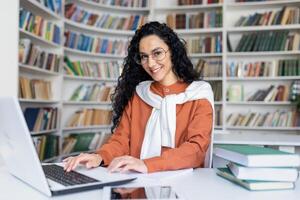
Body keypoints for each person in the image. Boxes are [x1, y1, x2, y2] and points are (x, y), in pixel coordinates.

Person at [63, 21, 214, 173]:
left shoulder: (198, 94)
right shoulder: (140, 94)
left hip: (184, 187)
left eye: (157, 53)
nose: (151, 63)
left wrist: (147, 164)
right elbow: (121, 141)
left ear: (173, 51)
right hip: (137, 183)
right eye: (144, 56)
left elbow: (196, 149)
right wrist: (99, 157)